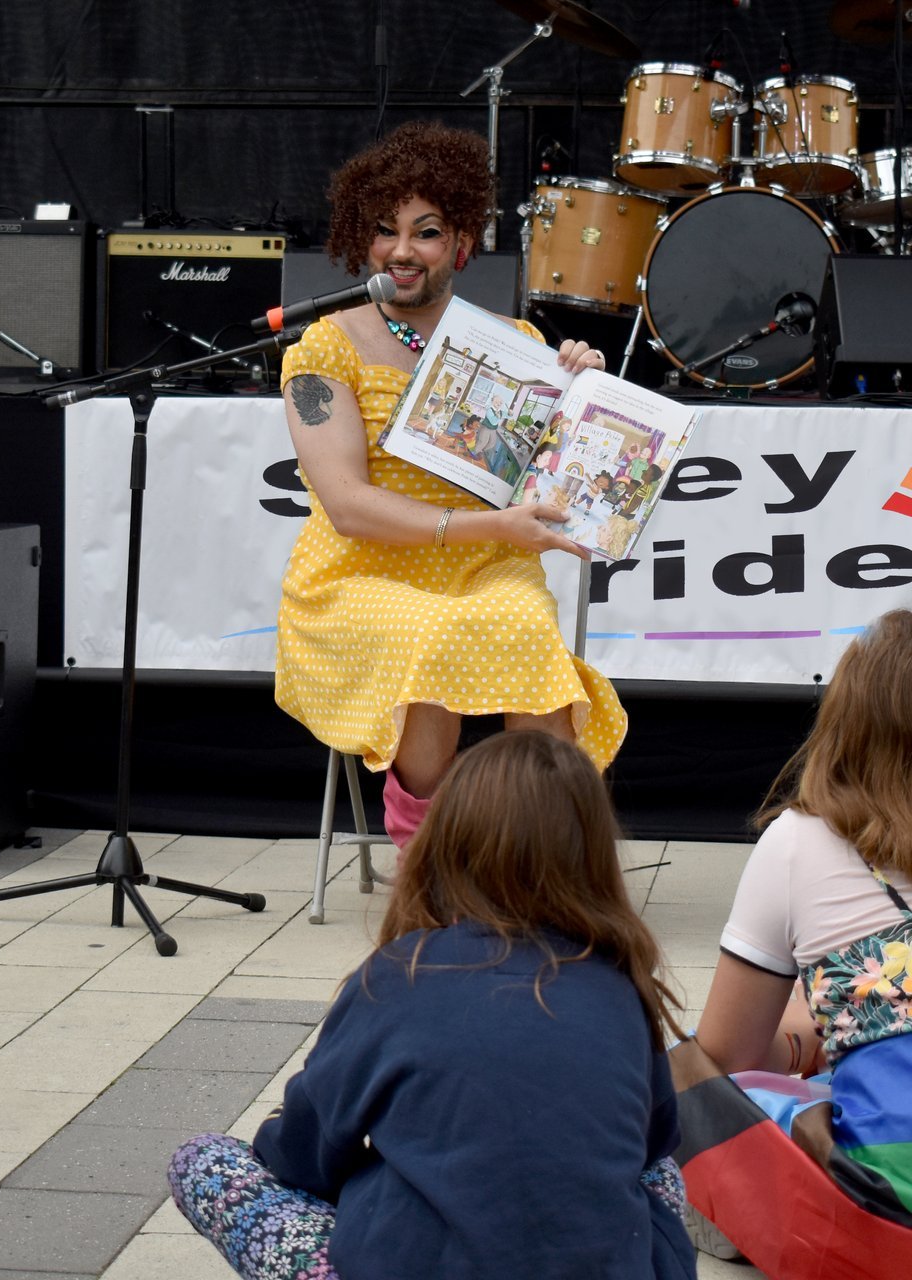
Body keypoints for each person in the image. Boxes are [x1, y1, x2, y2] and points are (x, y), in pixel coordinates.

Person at [168, 732, 697, 1280]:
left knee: (202, 1160)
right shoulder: (618, 984)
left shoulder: (399, 974)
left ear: (447, 839)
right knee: (658, 1171)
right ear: (592, 854)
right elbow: (654, 1141)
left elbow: (305, 1153)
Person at [275, 119, 626, 849]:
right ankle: (430, 859)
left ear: (461, 242)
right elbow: (347, 507)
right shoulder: (322, 348)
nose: (402, 250)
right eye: (383, 230)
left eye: (426, 232)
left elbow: (560, 478)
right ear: (358, 240)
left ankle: (547, 859)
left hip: (488, 563)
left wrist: (584, 394)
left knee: (523, 625)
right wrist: (497, 527)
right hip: (361, 570)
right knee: (430, 634)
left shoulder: (518, 346)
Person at [682, 608, 912, 1266]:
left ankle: (735, 1221)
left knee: (684, 1075)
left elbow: (727, 1058)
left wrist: (805, 1033)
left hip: (890, 1210)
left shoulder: (797, 843)